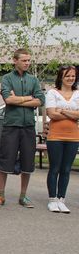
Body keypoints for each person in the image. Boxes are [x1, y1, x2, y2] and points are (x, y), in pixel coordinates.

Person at [0, 49, 45, 208]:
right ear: (15, 61)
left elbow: (40, 100)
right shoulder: (7, 78)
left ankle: (23, 196)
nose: (27, 63)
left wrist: (18, 99)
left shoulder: (33, 80)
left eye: (29, 60)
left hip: (28, 126)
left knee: (27, 162)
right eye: (24, 60)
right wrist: (29, 98)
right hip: (11, 125)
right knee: (5, 160)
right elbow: (8, 100)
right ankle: (1, 196)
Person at [45, 65, 79, 213]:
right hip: (55, 137)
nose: (71, 78)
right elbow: (52, 114)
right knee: (55, 168)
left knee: (66, 169)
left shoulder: (77, 93)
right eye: (67, 76)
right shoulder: (52, 93)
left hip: (73, 137)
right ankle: (52, 200)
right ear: (61, 77)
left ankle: (61, 199)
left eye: (73, 76)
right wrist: (72, 113)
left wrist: (63, 110)